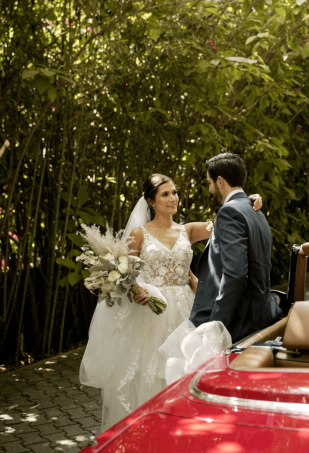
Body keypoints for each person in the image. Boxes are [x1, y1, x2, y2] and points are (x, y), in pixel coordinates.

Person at [80, 172, 262, 431]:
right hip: (151, 314)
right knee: (151, 373)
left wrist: (248, 200)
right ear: (151, 202)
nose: (173, 198)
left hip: (186, 309)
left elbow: (227, 219)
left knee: (185, 370)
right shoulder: (139, 233)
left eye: (175, 192)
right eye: (165, 194)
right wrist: (136, 290)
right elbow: (125, 271)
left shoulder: (187, 230)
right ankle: (151, 430)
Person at [189, 153, 283, 343]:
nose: (209, 189)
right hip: (263, 312)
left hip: (241, 323)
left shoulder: (229, 212)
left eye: (209, 183)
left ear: (220, 181)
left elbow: (236, 274)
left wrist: (216, 325)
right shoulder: (255, 210)